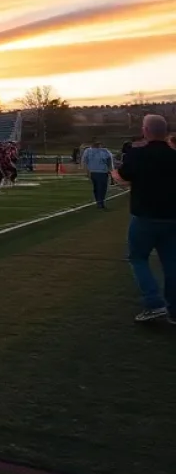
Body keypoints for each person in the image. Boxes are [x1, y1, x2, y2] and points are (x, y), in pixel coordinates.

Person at [115, 115, 176, 322]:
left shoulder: (137, 154)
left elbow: (122, 176)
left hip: (145, 217)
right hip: (172, 217)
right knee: (171, 264)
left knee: (138, 258)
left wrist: (114, 173)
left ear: (146, 131)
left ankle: (154, 302)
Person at [81, 138, 114, 209]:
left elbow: (109, 161)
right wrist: (86, 171)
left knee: (100, 188)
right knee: (99, 188)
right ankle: (100, 202)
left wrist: (110, 170)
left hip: (101, 171)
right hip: (98, 172)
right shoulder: (89, 151)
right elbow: (84, 161)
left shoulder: (104, 151)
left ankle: (99, 202)